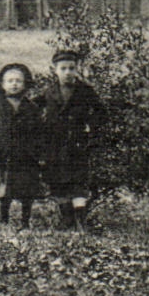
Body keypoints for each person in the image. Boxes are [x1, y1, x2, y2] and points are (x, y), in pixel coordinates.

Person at [36, 49, 106, 230]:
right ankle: (66, 218)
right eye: (63, 68)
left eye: (71, 68)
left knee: (78, 182)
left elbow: (100, 112)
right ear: (55, 70)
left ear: (77, 70)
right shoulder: (49, 92)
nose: (68, 72)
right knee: (58, 181)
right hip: (54, 144)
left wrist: (92, 131)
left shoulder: (85, 91)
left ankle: (81, 221)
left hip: (77, 144)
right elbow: (34, 110)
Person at [0, 62, 43, 229]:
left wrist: (39, 153)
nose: (14, 84)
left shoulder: (32, 108)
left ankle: (25, 222)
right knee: (4, 190)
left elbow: (39, 133)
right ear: (2, 84)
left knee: (27, 190)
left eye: (18, 80)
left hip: (27, 157)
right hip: (4, 156)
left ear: (25, 84)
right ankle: (3, 220)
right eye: (10, 81)